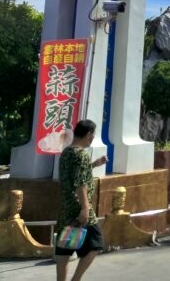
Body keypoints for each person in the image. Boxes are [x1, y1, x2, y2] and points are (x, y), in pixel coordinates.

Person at [55, 119, 108, 281]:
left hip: (66, 207)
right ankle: (76, 279)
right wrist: (85, 208)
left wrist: (94, 164)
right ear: (89, 135)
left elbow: (74, 175)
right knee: (96, 244)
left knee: (65, 247)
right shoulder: (81, 155)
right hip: (80, 206)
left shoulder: (67, 152)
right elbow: (80, 183)